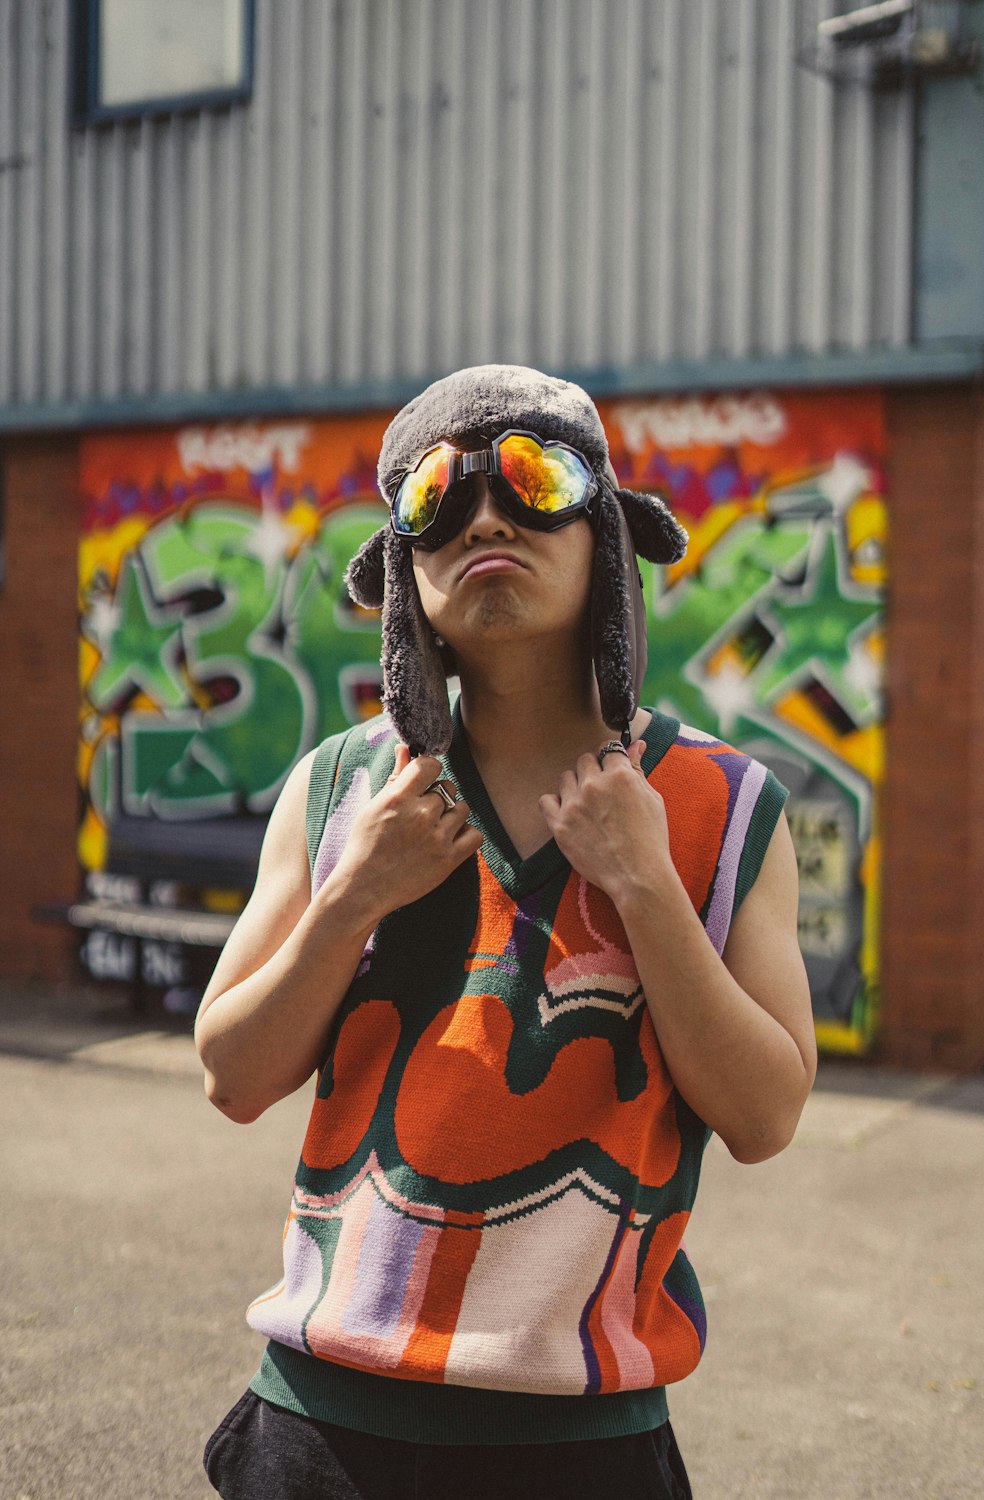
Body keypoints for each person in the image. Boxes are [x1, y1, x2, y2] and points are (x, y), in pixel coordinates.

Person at [195, 364, 816, 1500]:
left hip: (580, 1440)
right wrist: (354, 899)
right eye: (436, 494)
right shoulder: (339, 792)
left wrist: (644, 886)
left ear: (608, 538)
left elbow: (767, 1113)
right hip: (324, 1421)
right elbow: (231, 1073)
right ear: (404, 570)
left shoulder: (724, 810)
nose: (484, 513)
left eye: (534, 477)